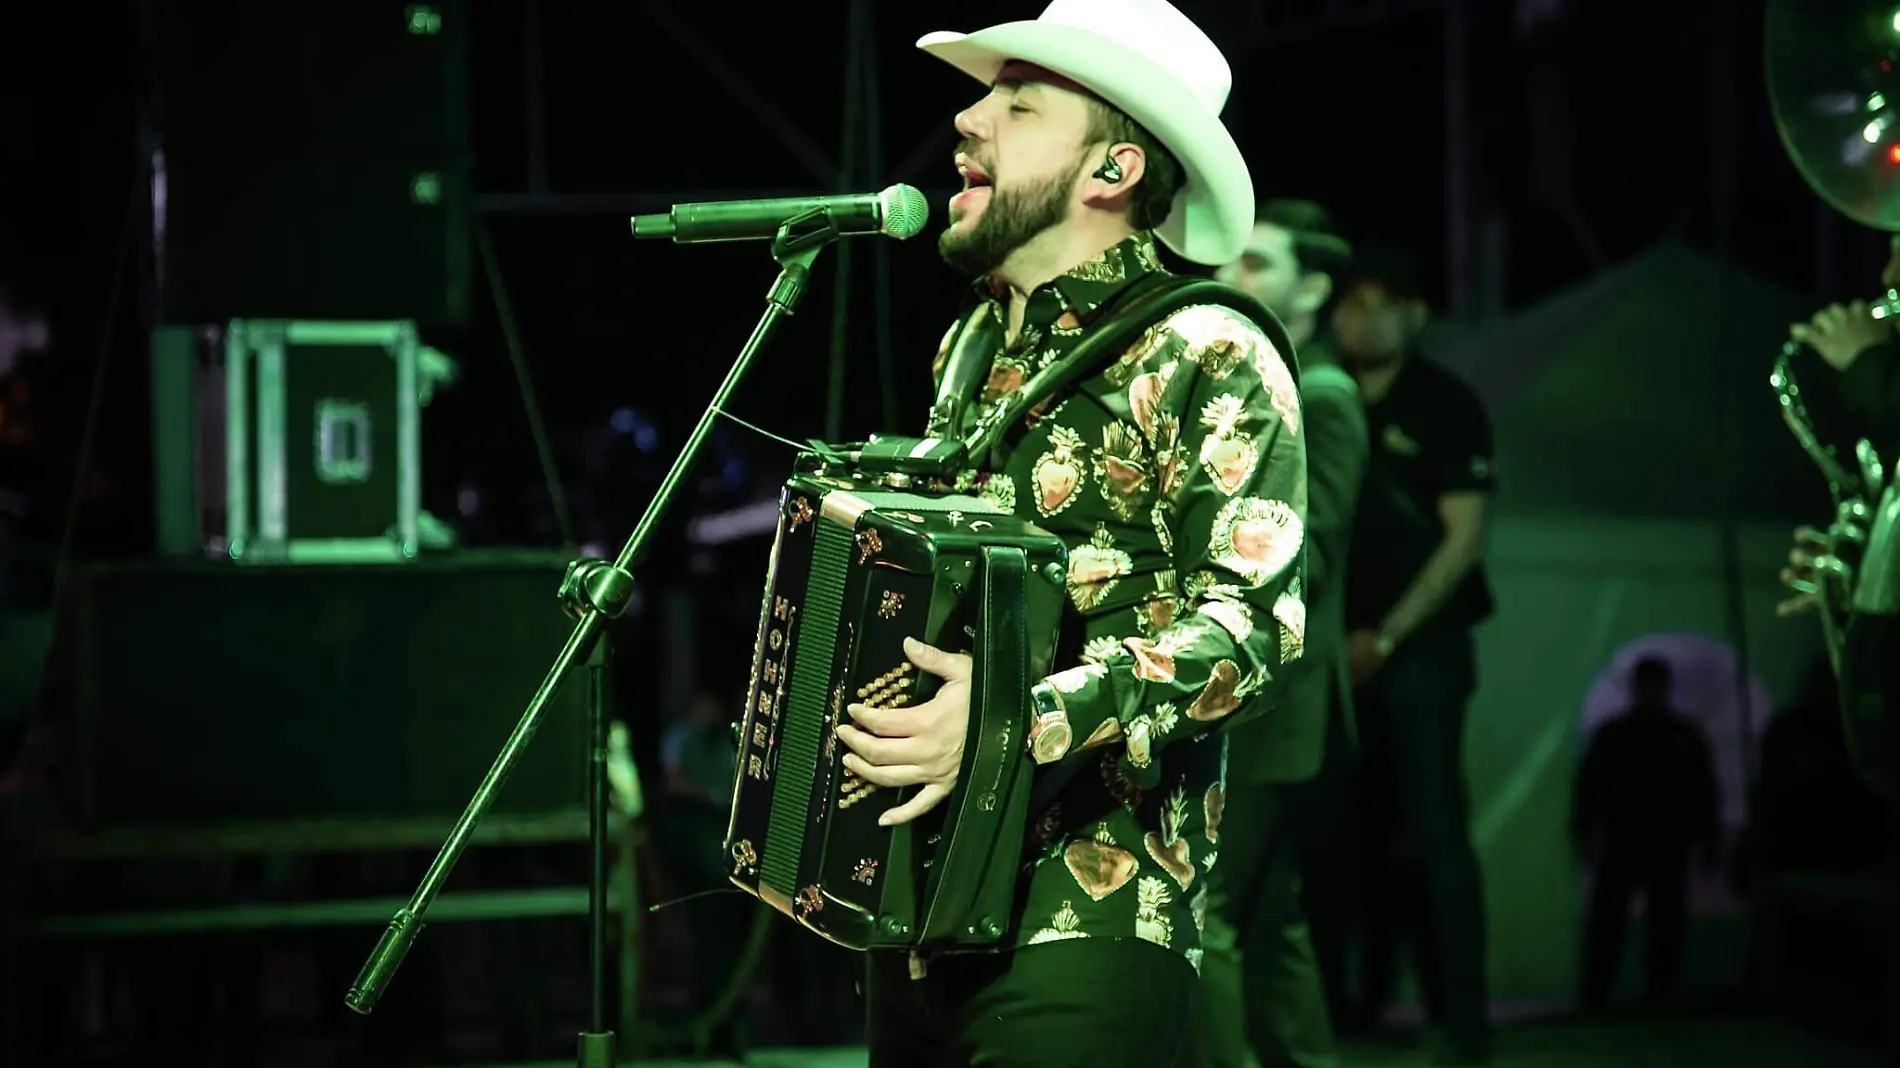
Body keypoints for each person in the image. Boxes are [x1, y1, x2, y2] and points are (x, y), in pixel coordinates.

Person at [834, 3, 1307, 1065]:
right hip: (920, 906)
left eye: (1017, 102)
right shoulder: (968, 342)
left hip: (1092, 911)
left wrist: (1014, 720)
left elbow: (1254, 631)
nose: (968, 118)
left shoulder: (1208, 347)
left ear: (1113, 168)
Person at [1181, 201, 1365, 1068]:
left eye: (1259, 264)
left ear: (1314, 287)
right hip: (1273, 707)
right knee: (1270, 920)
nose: (1232, 278)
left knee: (1207, 915)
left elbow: (1307, 554)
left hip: (1268, 699)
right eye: (1228, 263)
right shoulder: (1270, 385)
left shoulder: (1320, 394)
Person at [1335, 245, 1495, 1064]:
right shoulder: (1316, 396)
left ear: (1417, 314)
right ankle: (1346, 1007)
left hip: (1422, 651)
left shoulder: (1445, 405)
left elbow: (1464, 541)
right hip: (1332, 654)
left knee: (1435, 834)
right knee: (1341, 835)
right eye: (1353, 302)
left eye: (1384, 302)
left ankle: (1461, 1021)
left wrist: (1388, 635)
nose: (1366, 318)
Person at [1571, 656, 1720, 1011]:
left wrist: (1708, 837)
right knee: (1637, 922)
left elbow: (1702, 792)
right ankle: (1618, 992)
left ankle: (1617, 992)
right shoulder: (1674, 735)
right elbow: (1589, 790)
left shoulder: (1643, 735)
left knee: (1645, 923)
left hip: (1651, 840)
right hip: (1641, 840)